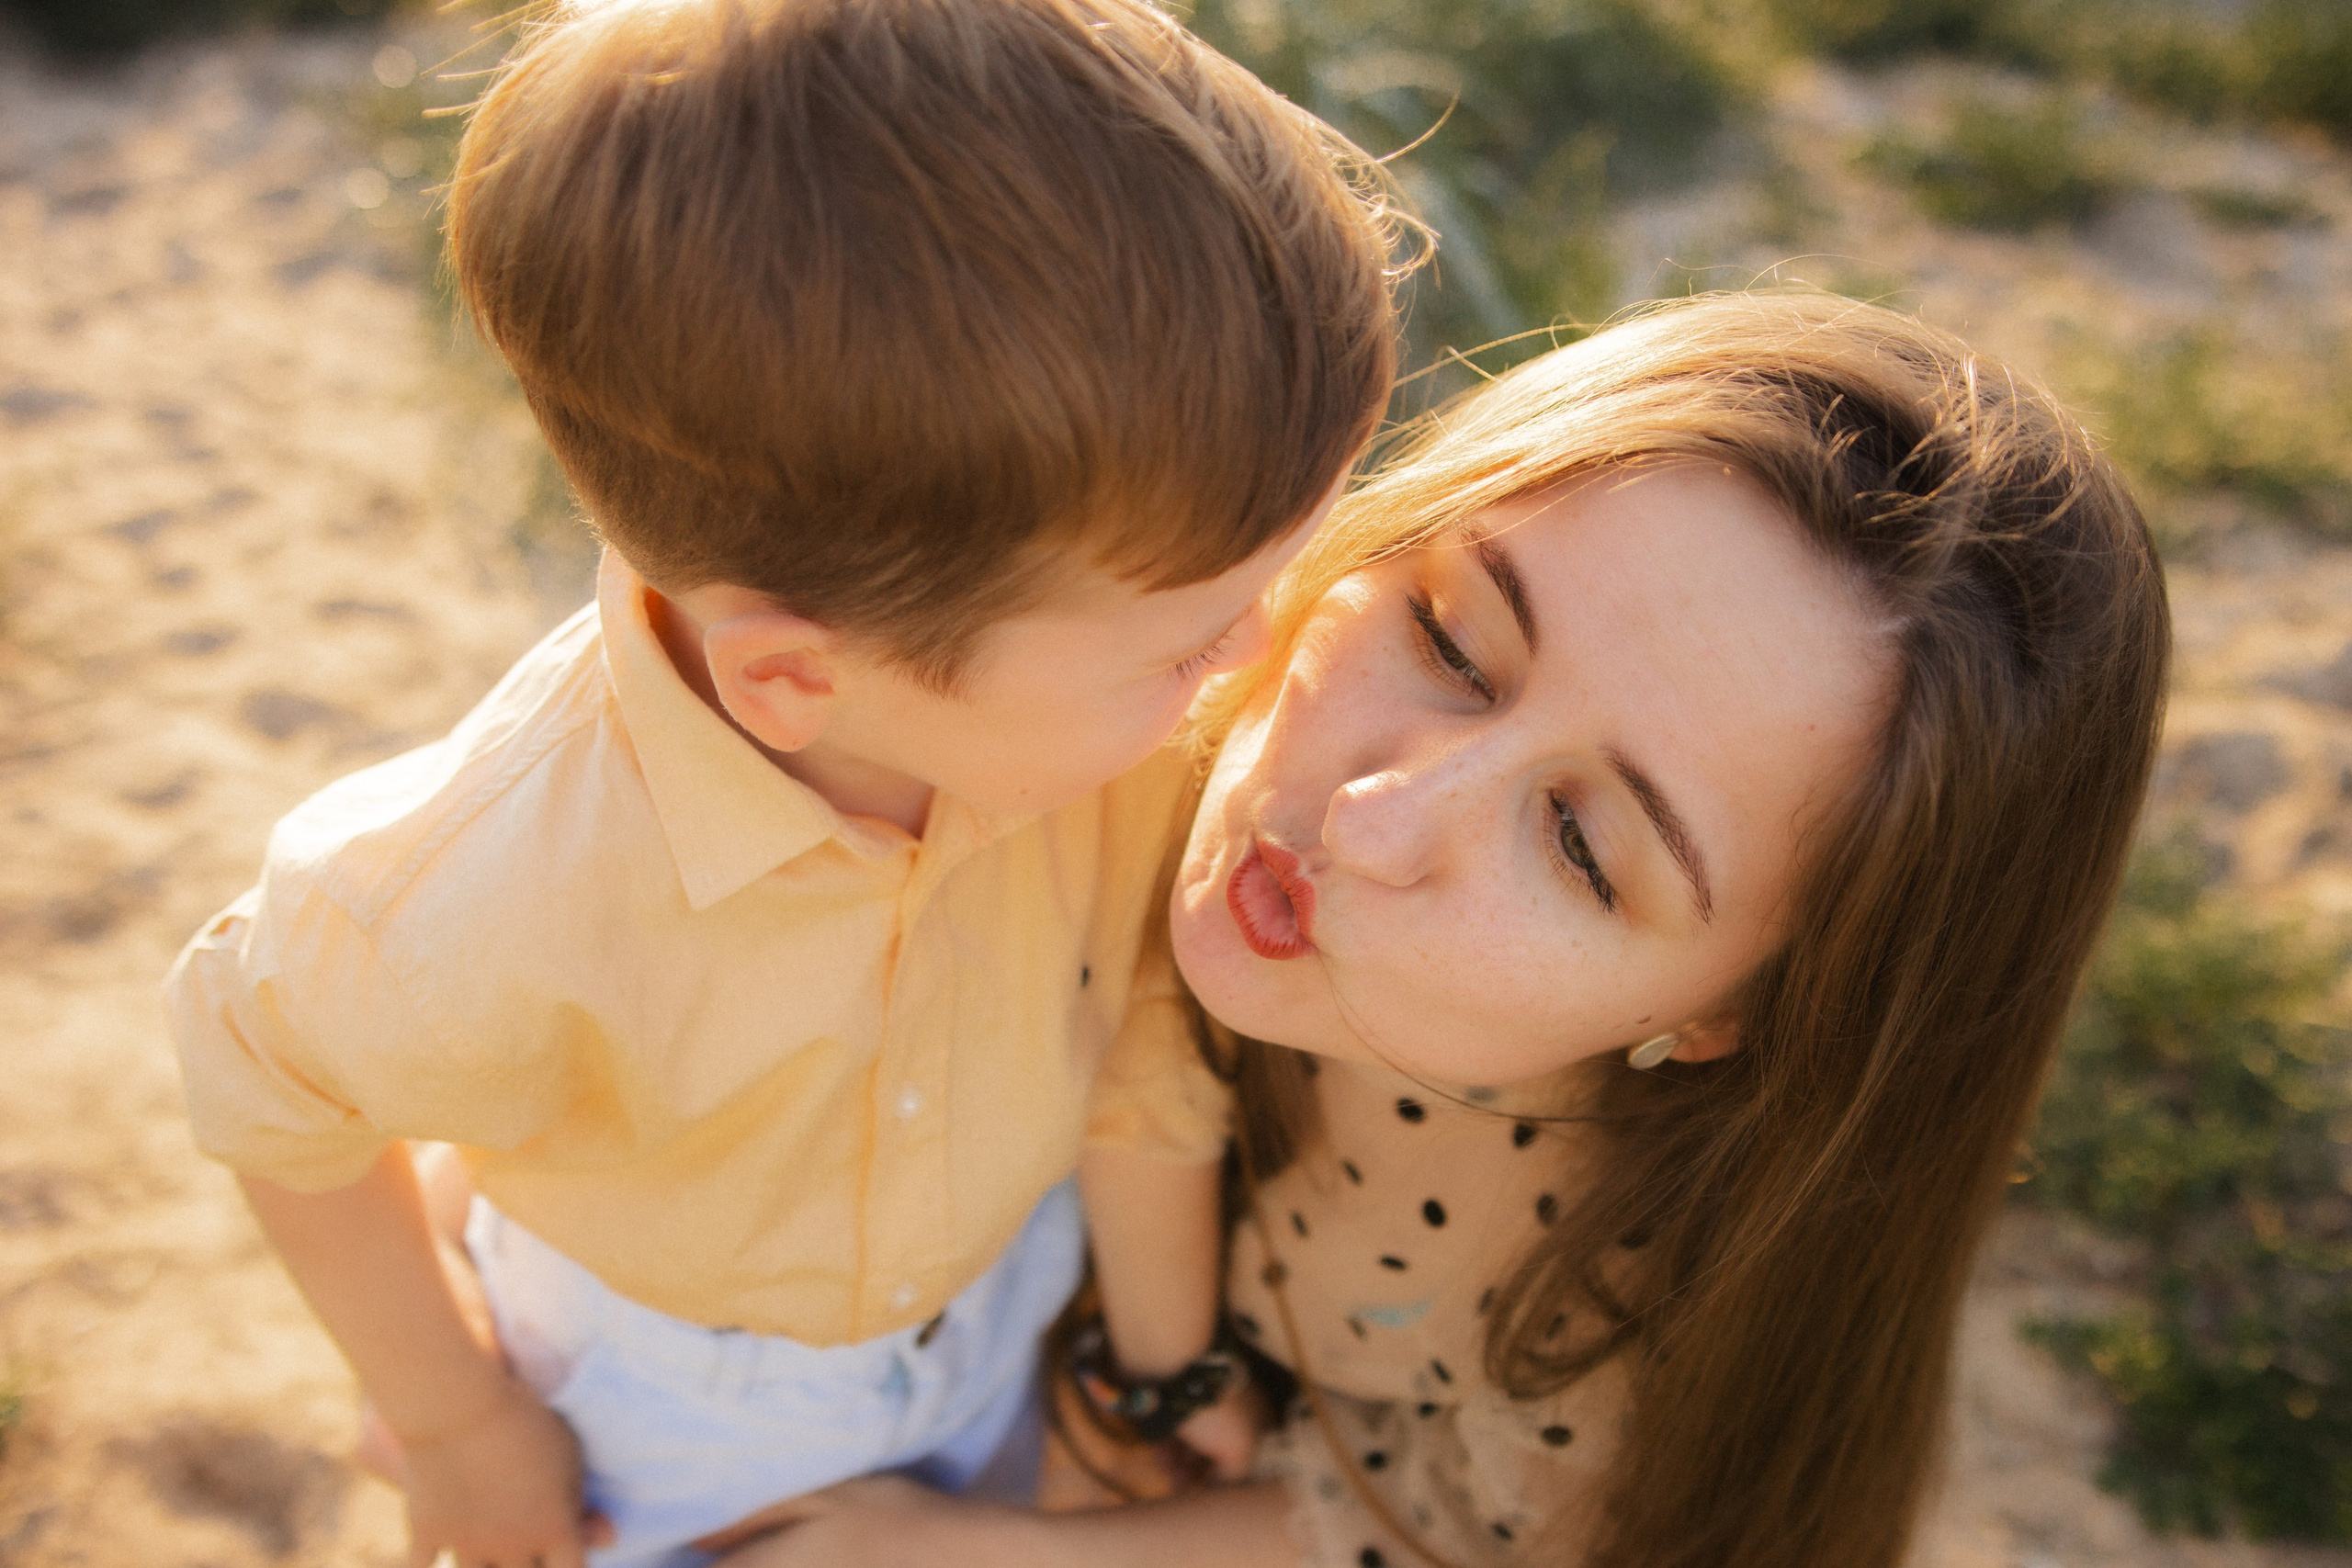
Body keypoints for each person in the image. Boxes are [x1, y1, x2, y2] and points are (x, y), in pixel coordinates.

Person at [163, 3, 1404, 1565]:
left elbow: (1133, 1041)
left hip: (1003, 1313)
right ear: (792, 682)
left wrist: (1155, 1369)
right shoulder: (486, 885)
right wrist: (454, 1416)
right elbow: (258, 1063)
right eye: (1184, 640)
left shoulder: (1095, 744)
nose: (1263, 650)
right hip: (660, 1413)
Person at [717, 289, 2173, 1568]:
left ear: (1733, 1014)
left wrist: (984, 1555)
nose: (1371, 820)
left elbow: (1454, 1534)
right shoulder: (1069, 714)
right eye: (1451, 639)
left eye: (1583, 849)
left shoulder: (1653, 1279)